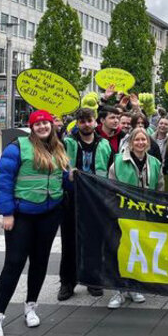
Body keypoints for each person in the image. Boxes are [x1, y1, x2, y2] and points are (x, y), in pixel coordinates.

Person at [0, 110, 69, 336]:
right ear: (31, 127)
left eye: (46, 123)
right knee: (13, 263)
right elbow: (2, 181)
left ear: (51, 126)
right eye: (38, 124)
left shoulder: (58, 148)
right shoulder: (17, 147)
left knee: (40, 262)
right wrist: (7, 213)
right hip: (22, 215)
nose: (43, 127)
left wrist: (75, 180)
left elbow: (62, 179)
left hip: (50, 214)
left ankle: (30, 306)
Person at [58, 108, 112, 301]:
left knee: (94, 241)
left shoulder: (104, 144)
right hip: (72, 198)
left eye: (89, 120)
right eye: (82, 121)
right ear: (77, 124)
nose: (86, 124)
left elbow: (110, 170)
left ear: (96, 122)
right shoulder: (68, 143)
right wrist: (67, 175)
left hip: (96, 199)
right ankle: (67, 282)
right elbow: (59, 166)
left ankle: (93, 280)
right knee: (69, 241)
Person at [107, 127, 163, 308]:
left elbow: (159, 188)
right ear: (130, 143)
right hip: (123, 214)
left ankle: (134, 287)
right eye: (137, 140)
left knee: (138, 250)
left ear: (148, 142)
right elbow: (110, 187)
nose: (140, 143)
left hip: (144, 215)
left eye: (144, 140)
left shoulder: (154, 163)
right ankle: (118, 290)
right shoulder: (118, 162)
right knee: (120, 250)